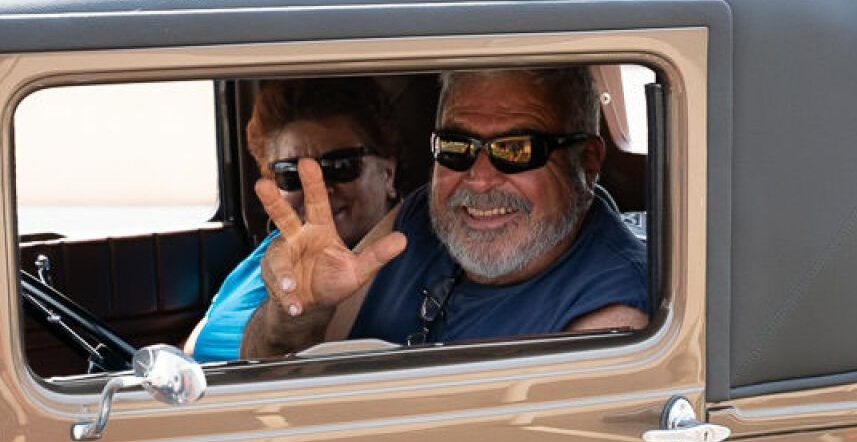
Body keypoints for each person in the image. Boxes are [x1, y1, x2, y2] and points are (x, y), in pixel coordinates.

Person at [240, 67, 648, 358]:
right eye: (456, 147)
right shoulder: (419, 218)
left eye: (517, 150)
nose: (480, 179)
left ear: (587, 162)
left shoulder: (611, 316)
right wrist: (296, 313)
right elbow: (266, 366)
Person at [187, 77, 401, 361]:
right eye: (291, 174)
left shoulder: (399, 269)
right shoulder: (269, 251)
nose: (321, 190)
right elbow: (193, 347)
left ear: (388, 174)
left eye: (341, 166)